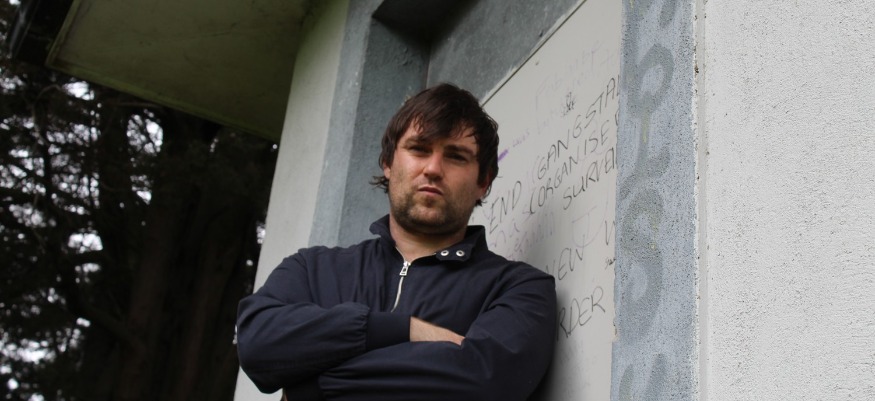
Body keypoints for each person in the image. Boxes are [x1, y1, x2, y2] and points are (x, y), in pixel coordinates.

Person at [236, 83, 557, 401]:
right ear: (388, 163)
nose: (433, 169)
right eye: (419, 149)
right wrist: (399, 330)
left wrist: (309, 388)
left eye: (456, 156)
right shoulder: (312, 269)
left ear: (483, 182)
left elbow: (483, 381)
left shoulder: (517, 288)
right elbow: (257, 342)